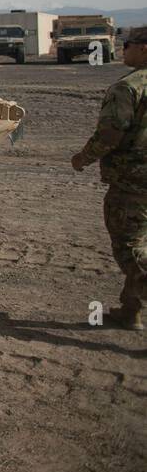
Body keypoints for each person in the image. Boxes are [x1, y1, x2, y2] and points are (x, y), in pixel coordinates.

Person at [72, 26, 147, 331]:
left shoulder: (127, 88)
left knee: (129, 247)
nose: (122, 49)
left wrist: (83, 158)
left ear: (143, 48)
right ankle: (131, 311)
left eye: (127, 44)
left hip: (134, 181)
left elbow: (111, 133)